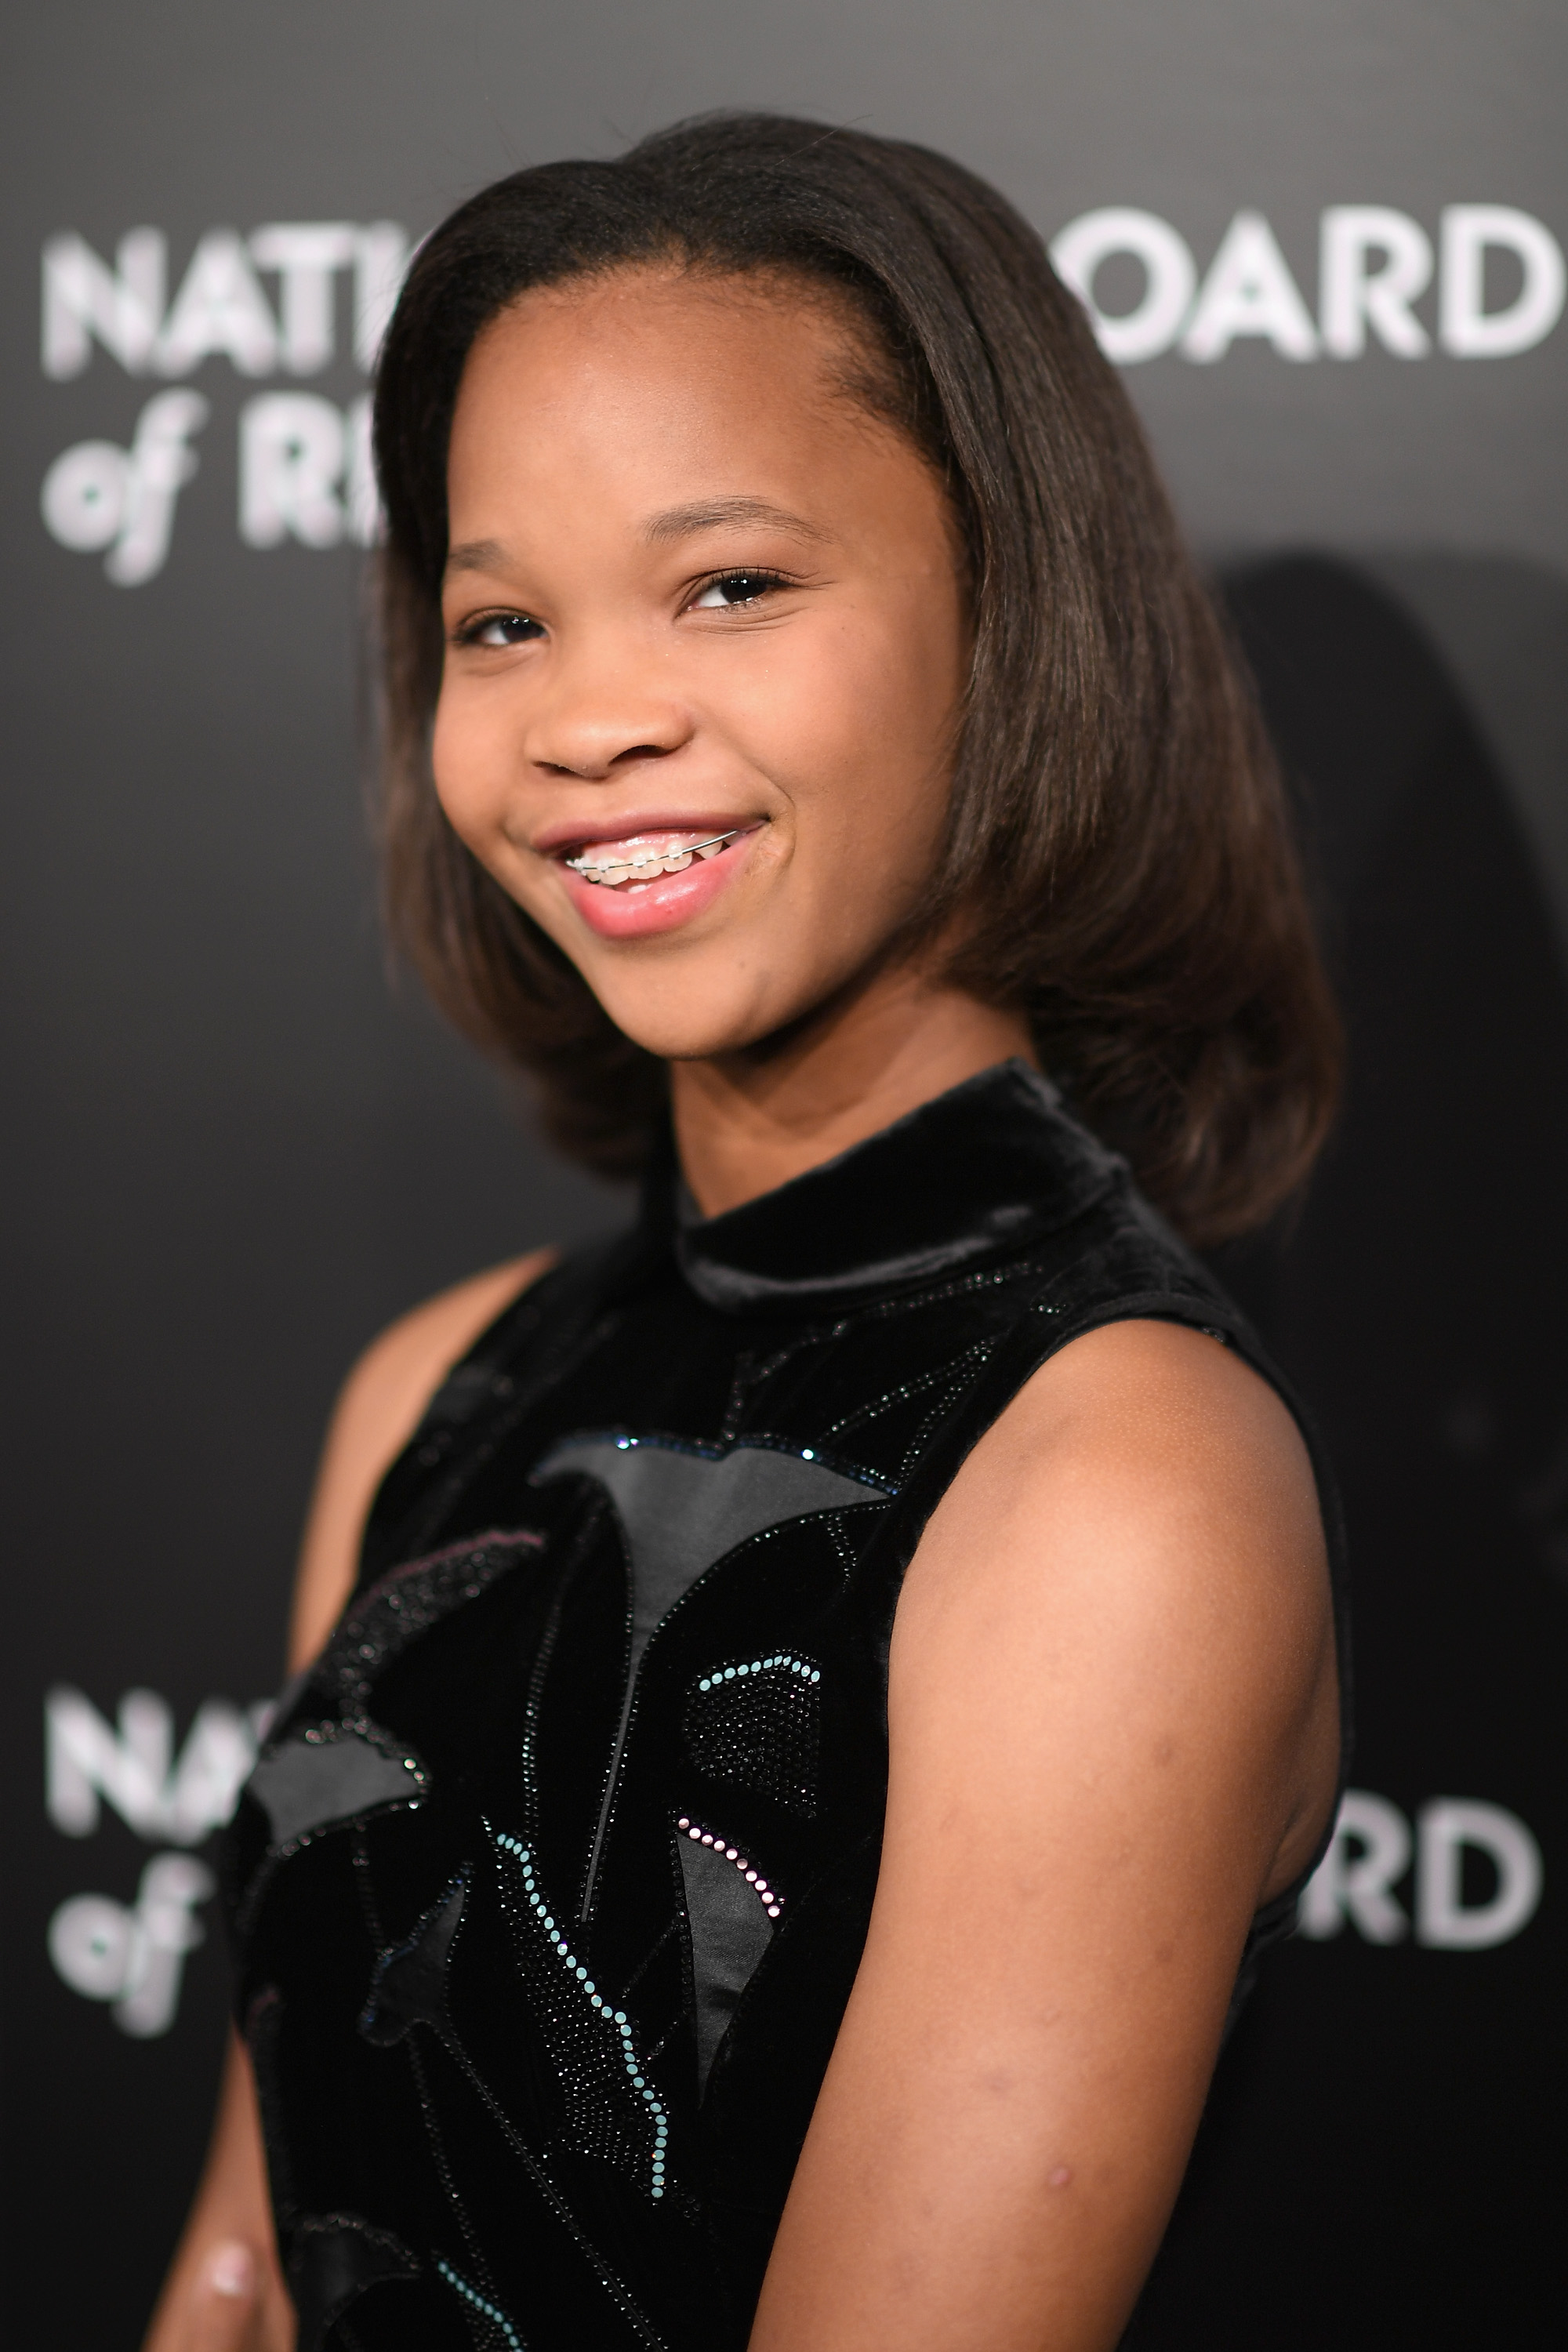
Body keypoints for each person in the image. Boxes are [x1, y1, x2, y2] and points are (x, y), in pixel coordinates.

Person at [147, 113, 1345, 2352]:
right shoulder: (425, 1397)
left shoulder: (1115, 1485)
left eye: (731, 587)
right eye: (503, 621)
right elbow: (251, 2255)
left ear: (1010, 615)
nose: (594, 720)